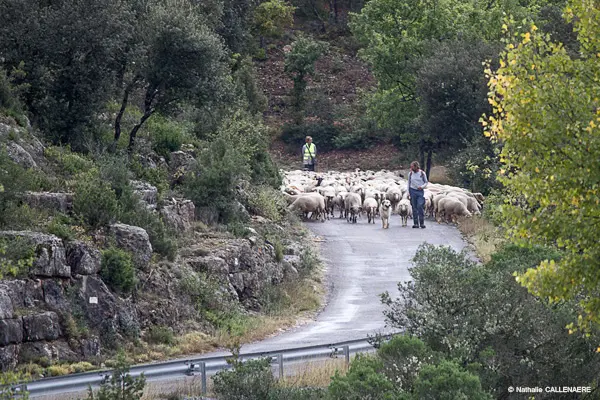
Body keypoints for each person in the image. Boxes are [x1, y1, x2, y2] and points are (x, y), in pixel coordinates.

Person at [407, 161, 428, 228]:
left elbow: (426, 182)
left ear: (416, 166)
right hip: (412, 190)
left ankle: (422, 222)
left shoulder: (422, 173)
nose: (411, 168)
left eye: (412, 166)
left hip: (420, 191)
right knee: (414, 207)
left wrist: (421, 187)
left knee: (420, 206)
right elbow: (408, 183)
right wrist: (408, 192)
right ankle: (415, 223)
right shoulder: (410, 174)